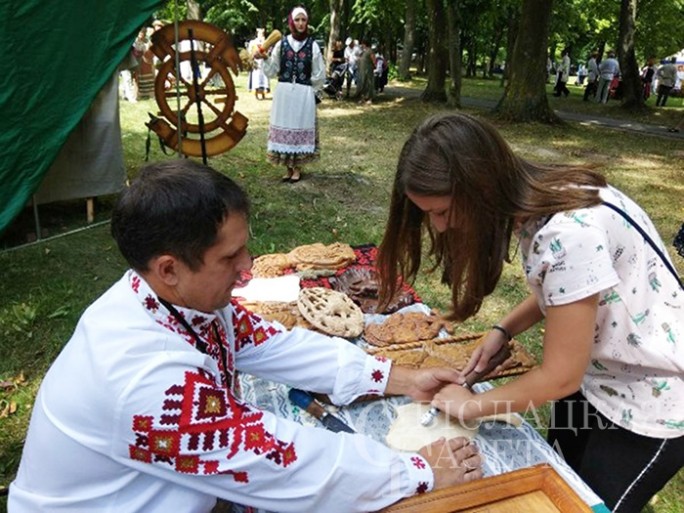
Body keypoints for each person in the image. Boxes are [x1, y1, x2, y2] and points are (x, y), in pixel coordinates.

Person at [8, 159, 483, 512]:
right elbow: (277, 460)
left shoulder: (164, 297)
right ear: (169, 268)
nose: (247, 269)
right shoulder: (143, 376)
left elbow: (271, 342)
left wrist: (395, 378)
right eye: (229, 257)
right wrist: (416, 470)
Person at [376, 112, 684, 513]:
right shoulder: (544, 199)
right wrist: (505, 329)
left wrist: (473, 405)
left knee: (582, 504)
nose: (440, 226)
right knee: (557, 478)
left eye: (441, 212)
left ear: (480, 188)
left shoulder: (569, 232)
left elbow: (559, 376)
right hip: (601, 382)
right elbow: (566, 291)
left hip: (653, 404)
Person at [256, 6, 325, 183]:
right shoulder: (282, 43)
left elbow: (319, 74)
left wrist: (314, 92)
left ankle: (298, 168)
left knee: (300, 125)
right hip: (285, 93)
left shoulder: (313, 45)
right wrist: (264, 58)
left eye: (303, 20)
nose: (300, 23)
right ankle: (288, 167)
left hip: (303, 93)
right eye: (297, 20)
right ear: (291, 22)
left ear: (307, 22)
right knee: (285, 124)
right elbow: (273, 70)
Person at [247, 28, 271, 100]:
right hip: (256, 63)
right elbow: (250, 51)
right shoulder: (253, 42)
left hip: (264, 62)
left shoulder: (266, 42)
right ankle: (256, 94)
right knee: (256, 78)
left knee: (264, 78)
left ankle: (264, 93)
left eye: (262, 33)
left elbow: (268, 51)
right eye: (260, 33)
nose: (261, 35)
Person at [354, 39, 376, 104]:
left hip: (368, 70)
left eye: (362, 44)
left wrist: (375, 66)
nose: (361, 45)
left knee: (369, 83)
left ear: (365, 44)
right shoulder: (363, 51)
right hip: (362, 70)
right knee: (363, 83)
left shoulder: (370, 51)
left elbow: (374, 60)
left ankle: (369, 98)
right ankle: (363, 98)